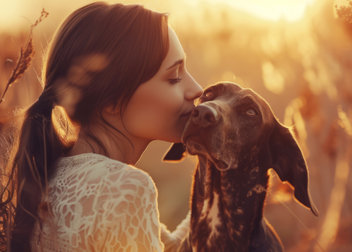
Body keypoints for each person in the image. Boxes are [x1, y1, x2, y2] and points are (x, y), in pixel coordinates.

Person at [2, 1, 203, 251]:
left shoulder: (45, 178)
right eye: (174, 77)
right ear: (111, 100)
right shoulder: (124, 188)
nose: (197, 89)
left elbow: (170, 246)